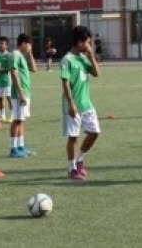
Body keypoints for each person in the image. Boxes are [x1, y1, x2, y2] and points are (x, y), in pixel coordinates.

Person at [62, 25, 101, 181]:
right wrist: (71, 104)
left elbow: (97, 73)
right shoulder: (67, 59)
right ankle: (71, 168)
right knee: (73, 138)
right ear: (79, 43)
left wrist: (91, 55)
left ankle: (79, 159)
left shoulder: (84, 58)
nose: (89, 45)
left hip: (86, 104)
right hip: (74, 105)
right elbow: (65, 83)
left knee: (95, 132)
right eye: (87, 42)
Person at [9, 33, 37, 157]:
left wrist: (30, 54)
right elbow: (14, 74)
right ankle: (13, 148)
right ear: (24, 44)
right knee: (17, 120)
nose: (30, 47)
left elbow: (34, 69)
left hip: (25, 92)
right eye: (29, 45)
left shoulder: (22, 56)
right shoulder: (15, 54)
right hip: (19, 93)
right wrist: (21, 93)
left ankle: (20, 146)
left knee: (21, 120)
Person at [0, 36, 13, 123]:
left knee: (9, 98)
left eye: (2, 44)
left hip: (7, 81)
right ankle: (2, 116)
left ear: (6, 45)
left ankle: (12, 115)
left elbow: (11, 68)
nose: (0, 45)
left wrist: (1, 70)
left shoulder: (9, 55)